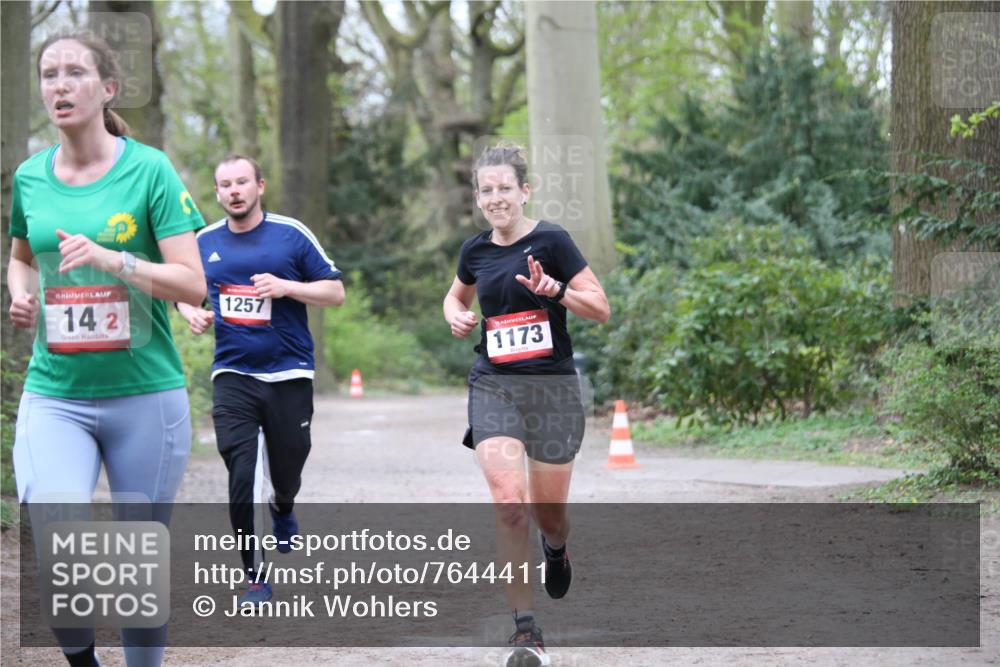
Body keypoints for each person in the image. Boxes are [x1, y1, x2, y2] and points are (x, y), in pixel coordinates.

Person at [8, 30, 206, 667]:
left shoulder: (149, 169)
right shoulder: (30, 177)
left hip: (145, 396)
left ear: (108, 89)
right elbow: (21, 257)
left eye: (75, 72)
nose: (59, 85)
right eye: (49, 74)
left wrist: (115, 259)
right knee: (56, 543)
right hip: (55, 394)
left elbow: (193, 282)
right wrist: (21, 293)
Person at [443, 143, 611, 667]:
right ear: (478, 198)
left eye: (505, 188)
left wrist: (555, 290)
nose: (496, 198)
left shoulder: (553, 241)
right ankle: (525, 629)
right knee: (510, 503)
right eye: (486, 190)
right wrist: (455, 315)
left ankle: (556, 548)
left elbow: (600, 308)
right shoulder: (474, 250)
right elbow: (455, 295)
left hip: (552, 389)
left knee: (548, 514)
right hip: (494, 385)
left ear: (524, 191)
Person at [177, 154, 344, 606]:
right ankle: (255, 576)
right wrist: (190, 311)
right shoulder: (204, 241)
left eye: (242, 182)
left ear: (260, 186)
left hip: (289, 372)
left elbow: (335, 291)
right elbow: (181, 289)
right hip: (233, 374)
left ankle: (283, 505)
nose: (234, 191)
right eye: (225, 184)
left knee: (288, 467)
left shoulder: (291, 234)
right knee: (242, 475)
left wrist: (288, 287)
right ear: (217, 192)